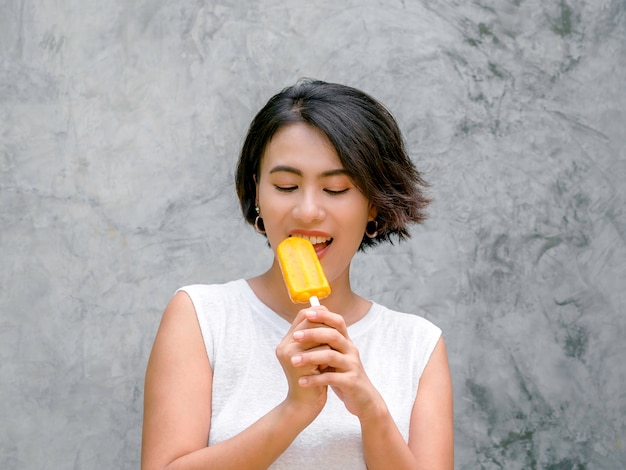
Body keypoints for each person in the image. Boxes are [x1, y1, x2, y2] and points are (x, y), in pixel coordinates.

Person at [141, 79, 454, 469]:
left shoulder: (418, 344)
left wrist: (371, 409)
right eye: (286, 185)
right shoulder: (200, 317)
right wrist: (294, 410)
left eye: (336, 189)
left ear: (374, 204)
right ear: (257, 193)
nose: (307, 211)